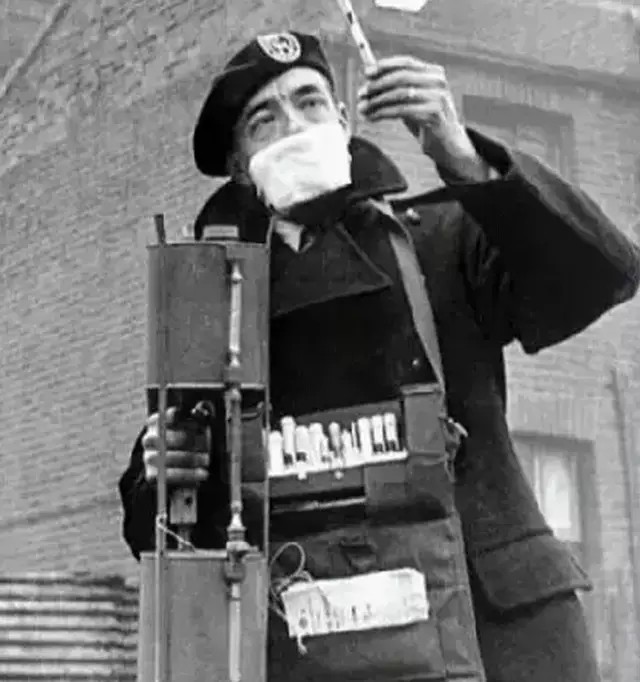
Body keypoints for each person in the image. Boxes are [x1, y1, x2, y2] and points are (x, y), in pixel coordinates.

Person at [119, 31, 640, 682]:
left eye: (310, 102)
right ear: (240, 166)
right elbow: (162, 516)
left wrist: (462, 157)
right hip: (305, 641)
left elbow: (602, 273)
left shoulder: (442, 238)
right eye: (263, 120)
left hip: (491, 636)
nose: (294, 126)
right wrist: (162, 471)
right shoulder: (212, 299)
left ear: (343, 121)